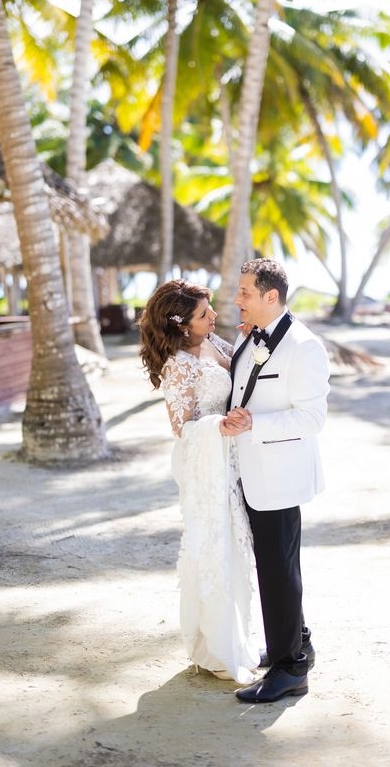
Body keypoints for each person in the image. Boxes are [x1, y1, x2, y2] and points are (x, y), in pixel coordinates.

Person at [138, 279, 260, 685]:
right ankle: (217, 649)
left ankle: (237, 639)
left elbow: (241, 370)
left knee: (234, 546)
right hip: (204, 463)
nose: (214, 316)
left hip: (229, 458)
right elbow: (182, 427)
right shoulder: (178, 365)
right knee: (212, 547)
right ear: (181, 323)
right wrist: (219, 426)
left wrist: (251, 338)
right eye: (204, 313)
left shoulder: (213, 342)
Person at [220, 258, 330, 703]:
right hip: (251, 471)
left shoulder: (304, 347)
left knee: (277, 571)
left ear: (271, 296)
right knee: (276, 566)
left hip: (281, 476)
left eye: (245, 292)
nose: (237, 299)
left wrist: (254, 424)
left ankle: (290, 671)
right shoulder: (250, 338)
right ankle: (297, 643)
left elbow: (312, 418)